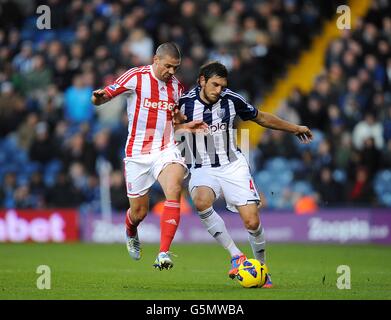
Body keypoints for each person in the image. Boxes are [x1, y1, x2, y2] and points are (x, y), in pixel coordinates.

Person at [178, 61, 313, 287]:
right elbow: (166, 129)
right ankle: (235, 255)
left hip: (232, 164)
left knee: (251, 220)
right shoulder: (183, 104)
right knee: (201, 201)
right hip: (202, 165)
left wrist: (294, 128)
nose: (219, 90)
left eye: (222, 85)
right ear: (202, 80)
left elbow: (261, 117)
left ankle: (262, 269)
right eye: (214, 84)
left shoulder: (232, 99)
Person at [91, 42, 206, 270]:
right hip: (137, 154)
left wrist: (187, 127)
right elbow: (104, 96)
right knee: (139, 212)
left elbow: (174, 122)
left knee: (173, 189)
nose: (172, 72)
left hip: (166, 148)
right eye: (168, 66)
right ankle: (131, 230)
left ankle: (163, 253)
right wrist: (97, 97)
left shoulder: (177, 87)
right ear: (156, 60)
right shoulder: (136, 76)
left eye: (176, 67)